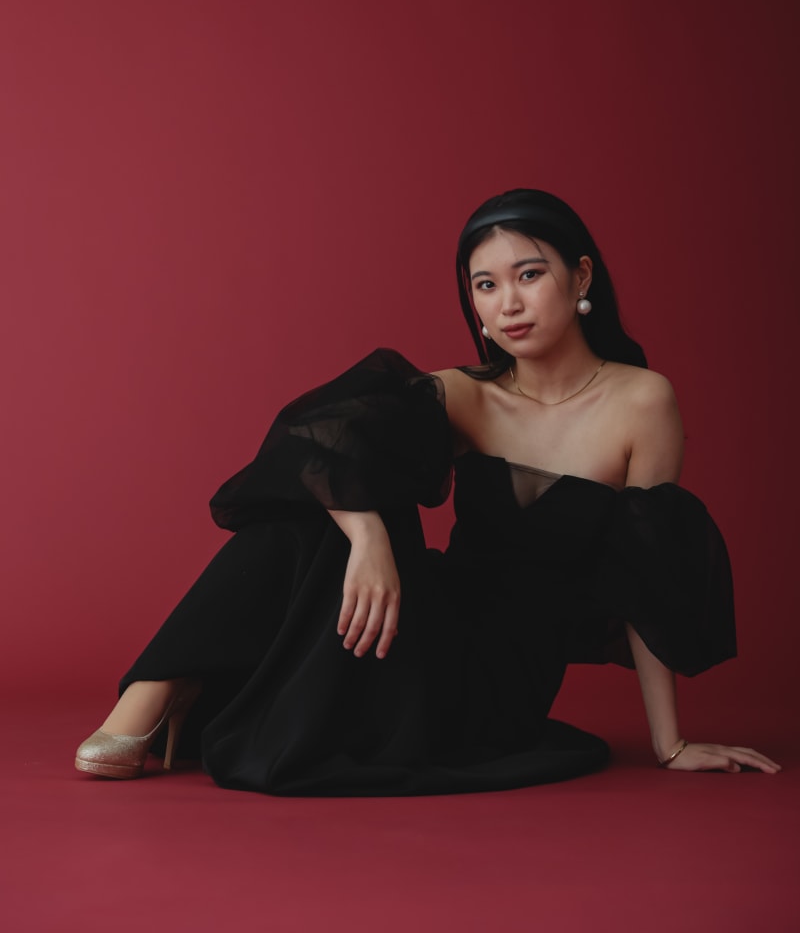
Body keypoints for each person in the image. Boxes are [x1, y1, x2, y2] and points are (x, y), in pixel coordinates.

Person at [75, 189, 780, 792]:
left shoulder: (642, 401)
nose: (508, 304)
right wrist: (370, 540)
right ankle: (153, 695)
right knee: (326, 509)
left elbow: (649, 571)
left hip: (496, 685)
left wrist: (670, 743)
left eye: (529, 274)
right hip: (414, 623)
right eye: (485, 285)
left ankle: (179, 687)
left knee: (345, 509)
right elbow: (312, 436)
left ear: (581, 276)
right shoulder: (469, 394)